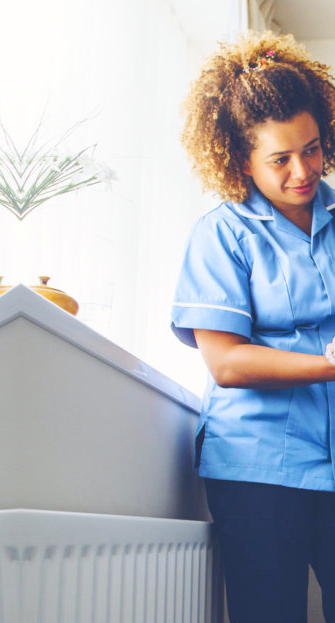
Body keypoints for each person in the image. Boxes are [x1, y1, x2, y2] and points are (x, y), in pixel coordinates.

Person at [172, 31, 335, 622]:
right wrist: (329, 363)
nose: (303, 170)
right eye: (281, 159)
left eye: (313, 149)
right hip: (260, 470)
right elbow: (227, 363)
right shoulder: (221, 234)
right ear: (241, 159)